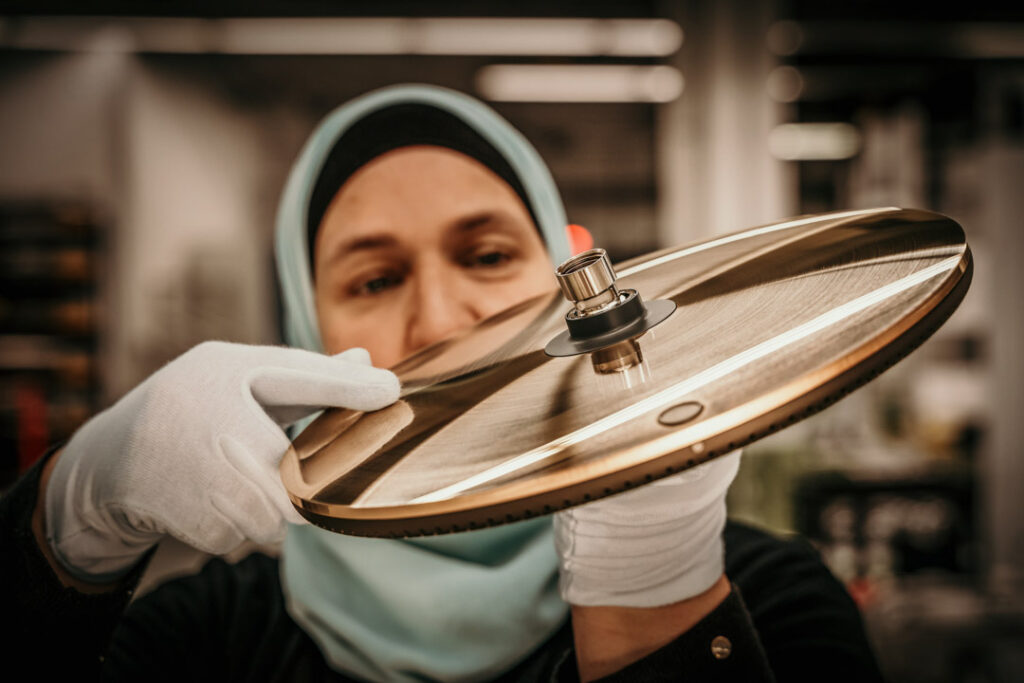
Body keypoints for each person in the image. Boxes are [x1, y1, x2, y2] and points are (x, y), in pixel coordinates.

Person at [1, 85, 883, 682]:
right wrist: (68, 519)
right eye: (375, 279)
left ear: (563, 283)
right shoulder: (202, 639)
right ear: (307, 330)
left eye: (488, 255)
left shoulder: (766, 598)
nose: (440, 319)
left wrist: (654, 596)